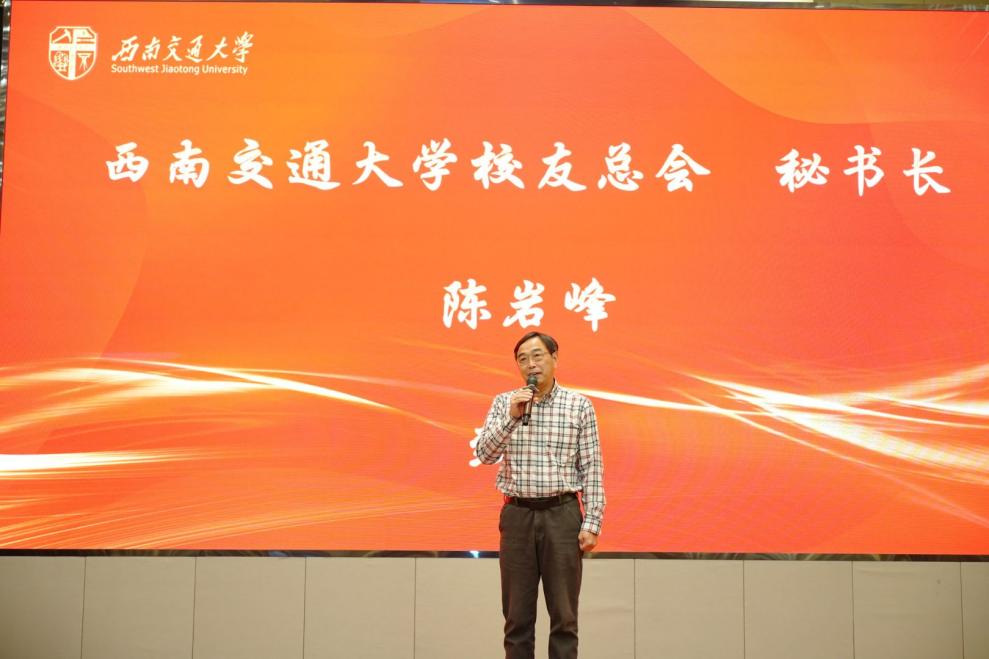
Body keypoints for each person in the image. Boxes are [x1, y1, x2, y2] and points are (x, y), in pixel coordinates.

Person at [474, 331, 606, 659]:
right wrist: (511, 418)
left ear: (554, 358)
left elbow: (592, 466)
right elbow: (485, 454)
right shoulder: (505, 403)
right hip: (517, 516)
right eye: (523, 359)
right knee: (517, 619)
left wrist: (592, 522)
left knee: (564, 618)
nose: (530, 364)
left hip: (562, 516)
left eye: (537, 356)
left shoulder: (579, 405)